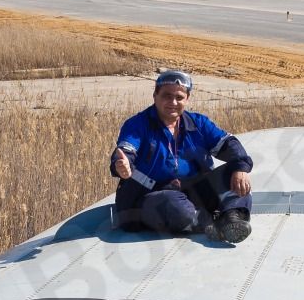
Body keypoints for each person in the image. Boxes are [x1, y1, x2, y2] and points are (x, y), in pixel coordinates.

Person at [109, 69, 254, 242]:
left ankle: (232, 219)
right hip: (152, 196)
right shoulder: (138, 125)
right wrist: (122, 165)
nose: (173, 102)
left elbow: (229, 144)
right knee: (174, 206)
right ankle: (210, 223)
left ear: (187, 99)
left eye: (179, 97)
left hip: (192, 191)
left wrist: (240, 167)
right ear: (155, 95)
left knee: (237, 177)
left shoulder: (198, 123)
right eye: (166, 96)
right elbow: (126, 150)